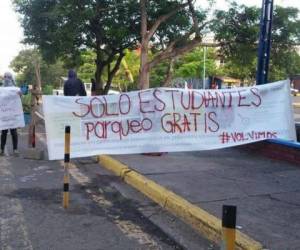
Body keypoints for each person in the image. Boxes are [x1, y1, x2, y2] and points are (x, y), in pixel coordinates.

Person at [0, 72, 19, 156]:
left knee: (14, 132)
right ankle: (2, 149)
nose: (7, 78)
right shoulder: (1, 89)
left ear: (11, 78)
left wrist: (20, 95)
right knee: (3, 132)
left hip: (13, 114)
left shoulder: (15, 89)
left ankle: (15, 149)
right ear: (4, 78)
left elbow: (19, 99)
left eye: (8, 77)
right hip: (4, 114)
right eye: (5, 77)